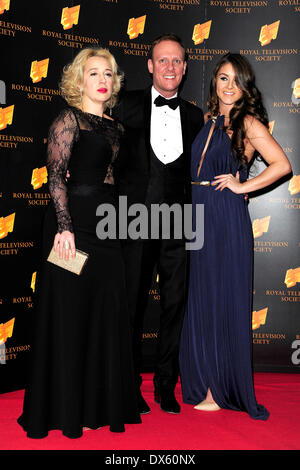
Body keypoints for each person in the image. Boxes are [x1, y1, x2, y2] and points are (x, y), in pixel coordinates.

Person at [17, 48, 141, 438]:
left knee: (104, 311)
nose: (102, 79)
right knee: (69, 313)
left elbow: (113, 179)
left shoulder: (117, 127)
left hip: (107, 227)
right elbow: (55, 178)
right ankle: (64, 408)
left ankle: (97, 405)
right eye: (93, 73)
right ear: (79, 80)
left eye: (108, 73)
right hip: (71, 226)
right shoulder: (67, 119)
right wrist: (64, 226)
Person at [179, 53, 291, 420]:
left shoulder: (247, 122)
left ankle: (217, 387)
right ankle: (202, 378)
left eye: (235, 80)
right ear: (215, 82)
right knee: (202, 297)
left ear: (245, 86)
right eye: (222, 78)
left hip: (225, 220)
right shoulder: (210, 119)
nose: (228, 86)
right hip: (199, 218)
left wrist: (243, 186)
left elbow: (282, 165)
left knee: (220, 299)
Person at [113, 34, 204, 415]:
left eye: (177, 61)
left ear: (184, 68)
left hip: (180, 223)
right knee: (131, 307)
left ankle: (166, 384)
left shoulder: (196, 116)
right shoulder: (124, 105)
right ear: (150, 65)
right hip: (133, 220)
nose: (169, 67)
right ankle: (128, 384)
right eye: (162, 60)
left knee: (175, 306)